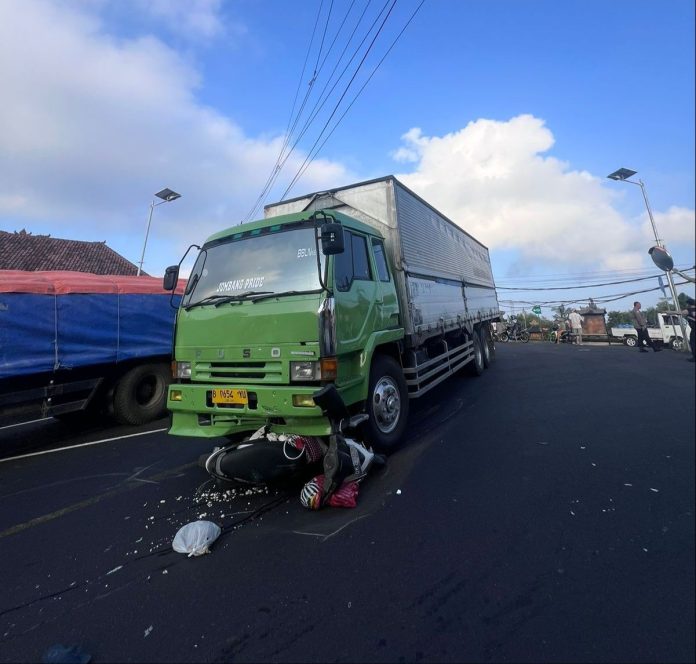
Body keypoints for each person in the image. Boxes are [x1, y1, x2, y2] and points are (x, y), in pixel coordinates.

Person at [681, 297, 696, 362]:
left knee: (693, 343)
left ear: (688, 304)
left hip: (694, 329)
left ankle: (694, 357)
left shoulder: (689, 309)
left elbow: (680, 312)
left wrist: (670, 312)